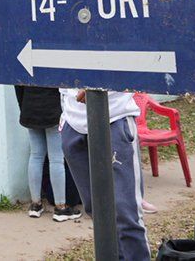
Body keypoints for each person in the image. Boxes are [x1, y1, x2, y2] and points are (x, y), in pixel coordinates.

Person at [60, 88, 149, 261]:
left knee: (126, 214)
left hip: (114, 117)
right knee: (97, 212)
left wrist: (96, 84)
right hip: (73, 123)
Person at [14, 86, 78, 221]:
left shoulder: (26, 64)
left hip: (29, 109)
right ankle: (61, 207)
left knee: (36, 155)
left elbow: (18, 87)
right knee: (56, 159)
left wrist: (24, 107)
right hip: (53, 110)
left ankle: (35, 205)